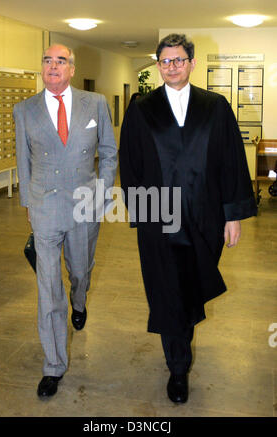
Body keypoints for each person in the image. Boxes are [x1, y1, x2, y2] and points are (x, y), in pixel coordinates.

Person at [119, 34, 257, 404]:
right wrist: (140, 214)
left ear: (192, 63)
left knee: (192, 284)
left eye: (179, 60)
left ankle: (183, 334)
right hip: (158, 215)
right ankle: (177, 367)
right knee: (166, 289)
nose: (172, 67)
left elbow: (232, 162)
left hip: (204, 215)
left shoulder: (215, 107)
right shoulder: (141, 108)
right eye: (165, 61)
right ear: (158, 65)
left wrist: (233, 215)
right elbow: (129, 163)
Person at [13, 44, 117, 398]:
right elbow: (22, 161)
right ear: (41, 68)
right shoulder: (24, 110)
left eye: (60, 61)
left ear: (72, 69)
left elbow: (108, 152)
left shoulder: (96, 104)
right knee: (47, 288)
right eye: (47, 60)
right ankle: (53, 365)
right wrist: (28, 202)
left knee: (79, 271)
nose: (53, 66)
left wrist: (102, 192)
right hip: (44, 208)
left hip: (83, 205)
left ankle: (80, 298)